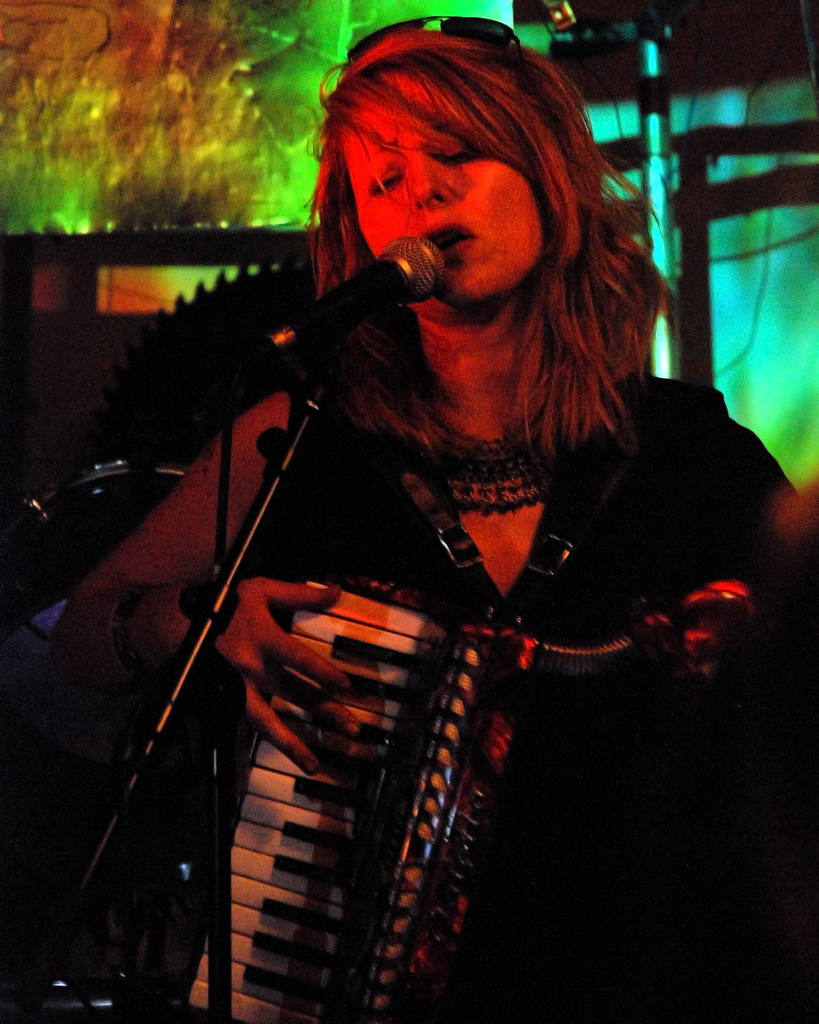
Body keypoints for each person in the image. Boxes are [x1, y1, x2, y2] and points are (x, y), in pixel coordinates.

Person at [53, 18, 794, 1023]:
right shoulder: (297, 438)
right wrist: (201, 619)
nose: (423, 194)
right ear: (356, 231)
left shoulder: (690, 456)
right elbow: (81, 634)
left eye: (457, 154)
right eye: (383, 179)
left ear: (549, 178)